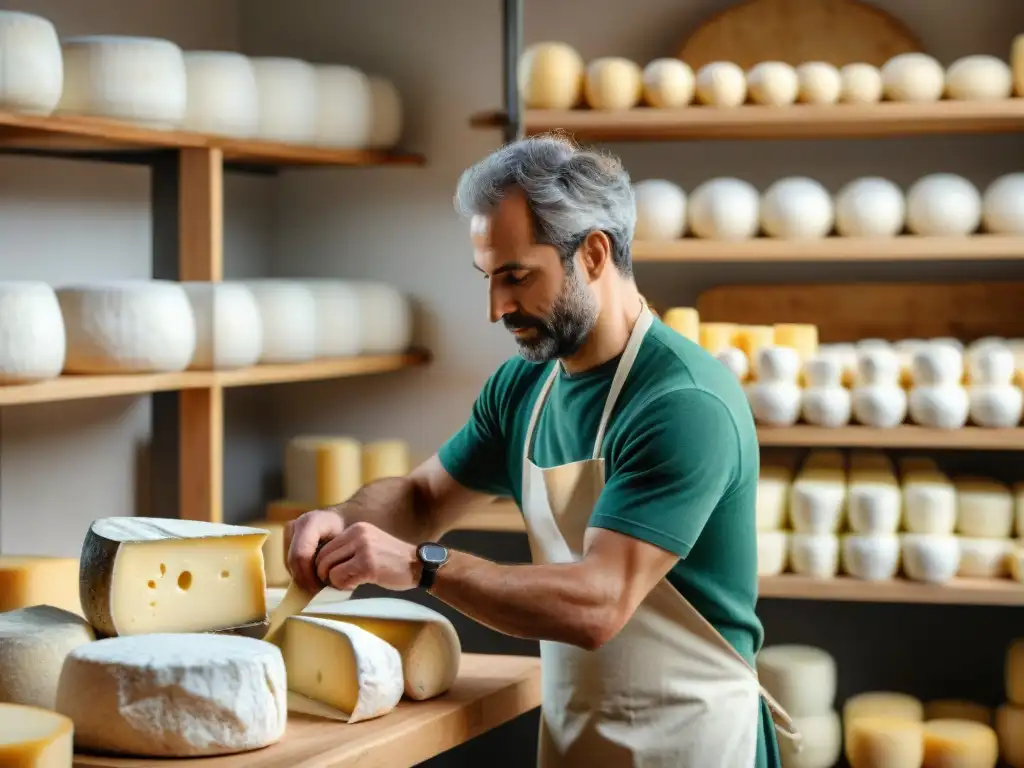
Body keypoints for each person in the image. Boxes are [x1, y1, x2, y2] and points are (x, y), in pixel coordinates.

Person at [284, 134, 799, 767]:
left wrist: (422, 565)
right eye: (488, 278)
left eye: (517, 276)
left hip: (694, 745)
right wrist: (344, 520)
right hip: (577, 737)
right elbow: (422, 497)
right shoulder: (525, 385)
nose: (497, 307)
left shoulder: (682, 402)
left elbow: (598, 603)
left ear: (593, 253)